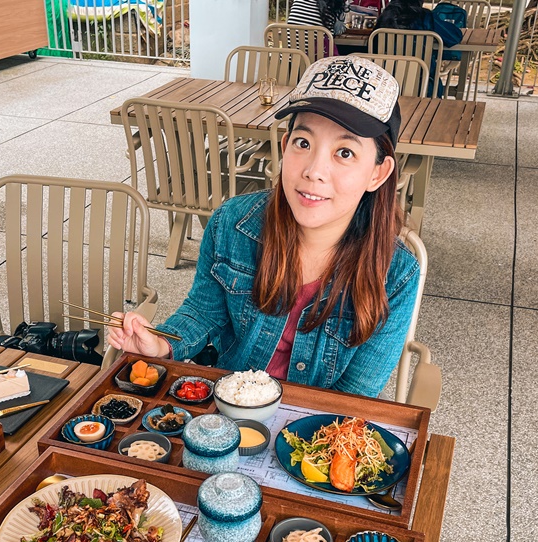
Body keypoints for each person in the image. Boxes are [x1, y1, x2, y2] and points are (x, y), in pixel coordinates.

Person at [107, 56, 421, 397]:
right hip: (225, 407)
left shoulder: (398, 274)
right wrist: (160, 346)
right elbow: (203, 312)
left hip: (315, 428)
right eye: (304, 143)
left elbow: (357, 392)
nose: (314, 171)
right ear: (285, 148)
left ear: (378, 172)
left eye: (344, 152)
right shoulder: (232, 223)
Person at [374, 0, 464, 95]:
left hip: (385, 83)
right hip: (423, 85)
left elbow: (373, 47)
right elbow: (454, 37)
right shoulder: (425, 17)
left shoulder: (385, 16)